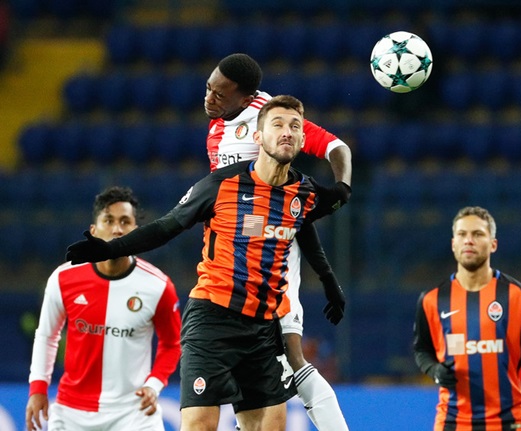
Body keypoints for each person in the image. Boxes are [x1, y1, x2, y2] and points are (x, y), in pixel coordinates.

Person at [65, 95, 344, 431]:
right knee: (200, 425)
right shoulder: (220, 185)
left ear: (301, 140)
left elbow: (302, 226)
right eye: (278, 124)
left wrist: (329, 281)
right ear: (258, 136)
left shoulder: (304, 192)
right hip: (214, 319)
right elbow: (166, 227)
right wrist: (110, 249)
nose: (287, 132)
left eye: (295, 126)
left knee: (269, 426)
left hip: (263, 327)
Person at [204, 52, 351, 431]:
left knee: (291, 358)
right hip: (232, 262)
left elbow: (336, 147)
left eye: (219, 93)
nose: (209, 99)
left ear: (245, 96)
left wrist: (342, 187)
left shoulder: (270, 118)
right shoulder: (217, 127)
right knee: (263, 364)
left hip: (273, 255)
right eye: (208, 89)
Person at [25, 186, 182, 431]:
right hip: (72, 412)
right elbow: (47, 335)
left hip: (134, 413)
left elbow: (173, 343)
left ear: (136, 232)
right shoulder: (63, 278)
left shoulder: (158, 286)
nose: (117, 229)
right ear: (94, 230)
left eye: (125, 222)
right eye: (109, 220)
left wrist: (154, 383)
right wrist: (38, 388)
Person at [413, 206, 521, 431]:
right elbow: (422, 350)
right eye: (462, 234)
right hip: (454, 422)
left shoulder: (516, 295)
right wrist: (435, 371)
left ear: (493, 244)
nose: (468, 240)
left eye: (478, 234)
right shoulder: (432, 300)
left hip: (512, 420)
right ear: (453, 244)